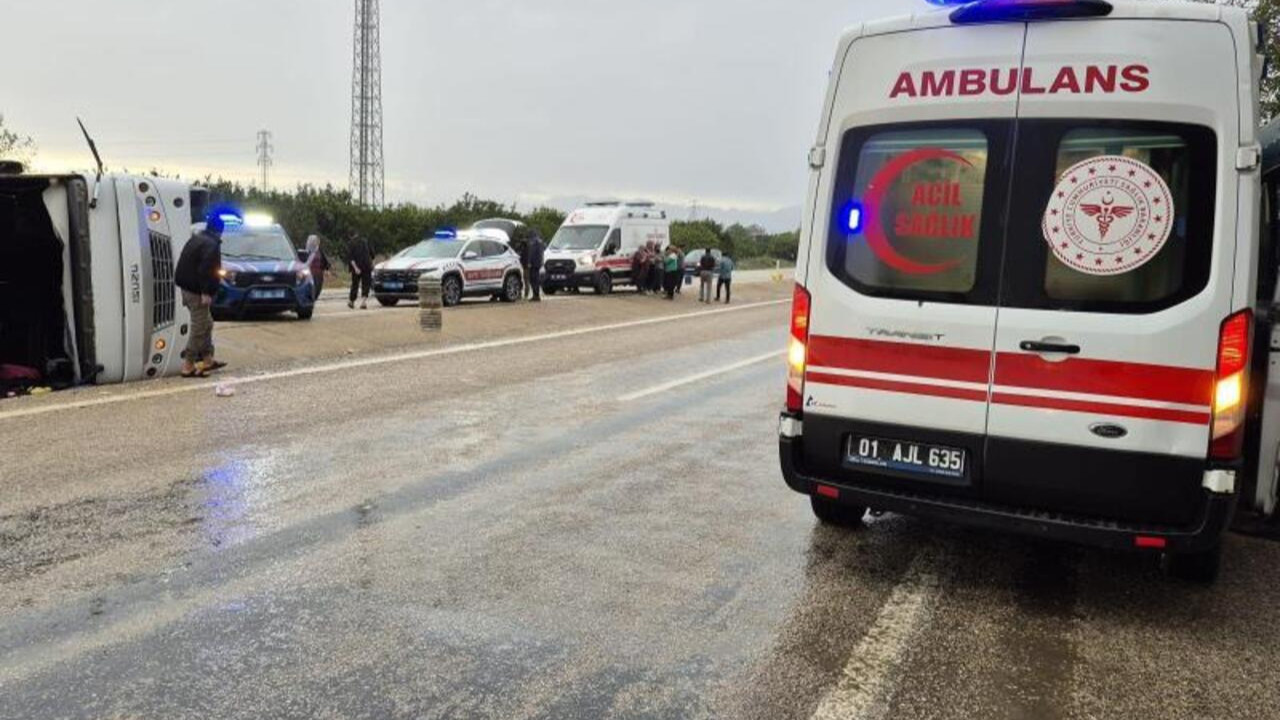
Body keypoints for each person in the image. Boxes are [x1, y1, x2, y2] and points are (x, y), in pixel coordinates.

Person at [174, 210, 227, 377]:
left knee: (207, 323)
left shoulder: (197, 239)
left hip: (187, 287)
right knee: (199, 326)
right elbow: (205, 270)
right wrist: (206, 292)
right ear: (220, 230)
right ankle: (188, 365)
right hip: (196, 291)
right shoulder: (211, 245)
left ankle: (208, 359)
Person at [347, 233, 374, 310]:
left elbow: (350, 258)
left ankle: (351, 302)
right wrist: (371, 263)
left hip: (357, 266)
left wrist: (356, 268)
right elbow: (372, 255)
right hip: (367, 266)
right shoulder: (366, 241)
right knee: (366, 284)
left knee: (355, 284)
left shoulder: (351, 243)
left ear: (350, 236)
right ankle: (363, 302)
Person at [305, 235, 331, 301]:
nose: (317, 242)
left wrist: (327, 269)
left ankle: (313, 299)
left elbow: (324, 260)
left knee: (318, 289)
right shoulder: (307, 251)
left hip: (319, 274)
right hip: (310, 273)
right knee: (311, 288)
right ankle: (310, 301)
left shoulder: (319, 250)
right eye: (315, 241)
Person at [527, 229, 546, 302]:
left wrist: (529, 262)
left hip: (533, 263)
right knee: (536, 279)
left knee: (533, 279)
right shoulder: (540, 242)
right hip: (538, 263)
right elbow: (542, 252)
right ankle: (536, 295)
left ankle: (536, 295)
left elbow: (531, 254)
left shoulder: (534, 242)